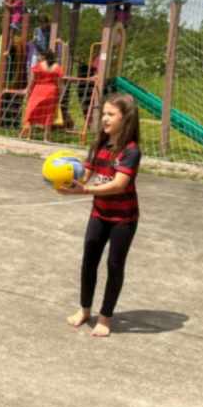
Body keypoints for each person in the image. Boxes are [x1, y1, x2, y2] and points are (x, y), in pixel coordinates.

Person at [59, 94, 141, 338]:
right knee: (89, 262)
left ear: (126, 118)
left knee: (114, 265)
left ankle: (105, 317)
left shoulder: (131, 151)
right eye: (104, 114)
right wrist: (64, 178)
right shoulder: (98, 145)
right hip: (99, 214)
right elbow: (84, 176)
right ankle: (85, 310)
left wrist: (85, 191)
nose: (105, 118)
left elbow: (118, 185)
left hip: (123, 219)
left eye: (111, 114)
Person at [20, 47, 64, 142]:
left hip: (38, 91)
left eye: (40, 56)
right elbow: (60, 84)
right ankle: (46, 138)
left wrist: (27, 90)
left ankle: (29, 136)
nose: (39, 57)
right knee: (48, 115)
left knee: (33, 113)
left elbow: (32, 81)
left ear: (44, 57)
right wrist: (61, 95)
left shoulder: (38, 66)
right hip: (51, 93)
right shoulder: (57, 68)